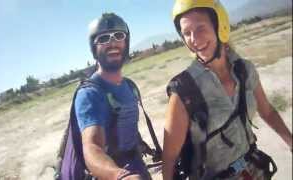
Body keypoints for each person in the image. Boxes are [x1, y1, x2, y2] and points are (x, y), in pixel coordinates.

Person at [162, 0, 292, 179]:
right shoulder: (184, 91)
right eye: (186, 33)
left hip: (254, 169)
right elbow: (169, 158)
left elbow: (267, 112)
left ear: (219, 25)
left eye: (200, 28)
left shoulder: (244, 70)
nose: (194, 39)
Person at [74, 12, 151, 180]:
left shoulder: (129, 86)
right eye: (103, 39)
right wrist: (120, 175)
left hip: (138, 166)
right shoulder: (90, 94)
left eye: (118, 35)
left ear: (126, 42)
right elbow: (92, 147)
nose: (113, 43)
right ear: (94, 48)